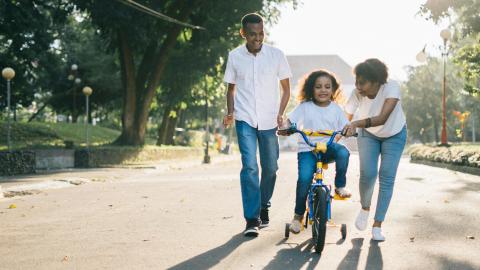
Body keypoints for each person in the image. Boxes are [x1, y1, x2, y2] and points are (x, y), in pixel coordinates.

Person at [223, 13, 292, 237]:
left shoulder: (276, 55)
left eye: (261, 33)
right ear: (243, 33)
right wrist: (230, 112)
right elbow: (231, 89)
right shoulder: (234, 56)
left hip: (270, 120)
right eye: (252, 34)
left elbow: (286, 89)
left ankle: (264, 206)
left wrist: (281, 113)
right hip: (244, 119)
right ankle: (251, 219)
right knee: (250, 167)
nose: (257, 38)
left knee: (271, 168)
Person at [279, 69, 352, 234]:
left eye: (327, 86)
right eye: (318, 86)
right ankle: (297, 217)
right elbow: (290, 121)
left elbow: (345, 126)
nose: (323, 90)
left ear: (333, 90)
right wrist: (285, 128)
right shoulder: (305, 106)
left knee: (343, 153)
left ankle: (340, 186)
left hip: (328, 147)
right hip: (308, 149)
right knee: (304, 179)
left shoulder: (336, 109)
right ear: (311, 88)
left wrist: (349, 130)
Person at [343, 58, 407, 241]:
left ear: (377, 81)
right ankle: (365, 208)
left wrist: (355, 123)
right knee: (368, 174)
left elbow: (382, 118)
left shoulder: (391, 87)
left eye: (362, 82)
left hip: (394, 134)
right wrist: (337, 135)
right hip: (368, 135)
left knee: (386, 177)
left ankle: (377, 225)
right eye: (356, 81)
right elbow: (345, 118)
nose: (358, 86)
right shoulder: (357, 93)